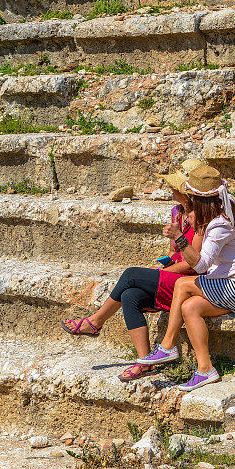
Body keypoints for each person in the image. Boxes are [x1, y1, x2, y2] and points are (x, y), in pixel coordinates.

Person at [60, 159, 204, 382]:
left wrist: (163, 271)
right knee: (130, 295)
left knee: (131, 275)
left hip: (190, 282)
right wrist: (163, 267)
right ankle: (145, 361)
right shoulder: (177, 212)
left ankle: (95, 322)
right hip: (175, 273)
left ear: (188, 193)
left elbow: (192, 263)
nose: (171, 189)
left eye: (175, 186)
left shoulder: (201, 218)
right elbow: (175, 253)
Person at [136, 164, 235, 392]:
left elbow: (201, 265)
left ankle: (167, 346)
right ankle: (206, 369)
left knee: (182, 283)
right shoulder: (226, 208)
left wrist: (180, 238)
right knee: (190, 307)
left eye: (192, 197)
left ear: (201, 200)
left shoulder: (219, 224)